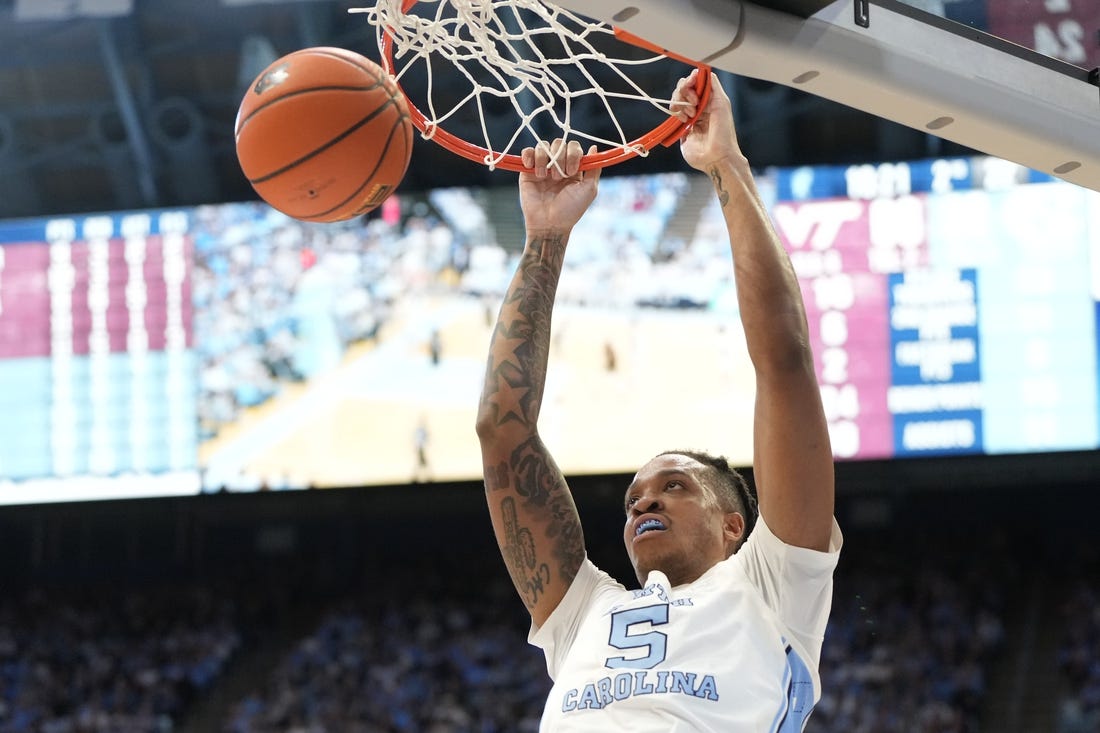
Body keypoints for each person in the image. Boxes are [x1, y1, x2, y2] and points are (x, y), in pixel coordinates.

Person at [475, 70, 842, 730]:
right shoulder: (584, 610)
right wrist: (545, 240)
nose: (643, 499)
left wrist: (725, 163)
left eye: (673, 485)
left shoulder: (773, 584)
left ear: (735, 525)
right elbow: (502, 432)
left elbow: (785, 361)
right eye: (635, 497)